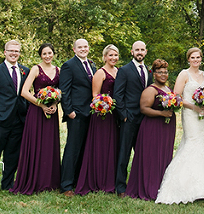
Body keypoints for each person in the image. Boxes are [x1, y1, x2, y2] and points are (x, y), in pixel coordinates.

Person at [156, 47, 204, 203]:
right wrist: (194, 107)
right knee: (192, 143)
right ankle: (186, 187)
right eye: (193, 57)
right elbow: (177, 97)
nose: (196, 60)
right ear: (188, 59)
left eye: (198, 57)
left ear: (201, 59)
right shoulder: (184, 74)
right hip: (190, 115)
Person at [11, 43, 60, 194]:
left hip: (51, 113)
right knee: (36, 144)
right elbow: (24, 92)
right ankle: (34, 180)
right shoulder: (35, 69)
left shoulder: (58, 69)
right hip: (37, 112)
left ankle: (49, 181)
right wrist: (41, 105)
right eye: (44, 53)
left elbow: (60, 91)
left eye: (50, 53)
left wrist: (55, 104)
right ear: (40, 55)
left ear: (53, 54)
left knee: (49, 145)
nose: (47, 56)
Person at [0, 40, 29, 195]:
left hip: (18, 119)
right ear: (5, 52)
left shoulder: (25, 71)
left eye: (16, 51)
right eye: (11, 51)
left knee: (12, 155)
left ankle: (8, 184)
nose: (14, 53)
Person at [125, 59, 177, 200]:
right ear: (154, 74)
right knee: (152, 157)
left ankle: (162, 185)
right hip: (153, 128)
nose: (163, 75)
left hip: (167, 128)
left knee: (164, 155)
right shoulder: (150, 90)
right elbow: (144, 109)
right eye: (160, 72)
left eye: (165, 72)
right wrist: (162, 113)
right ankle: (149, 187)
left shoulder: (168, 89)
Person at [76, 44, 120, 195]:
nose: (113, 58)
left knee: (112, 145)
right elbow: (95, 94)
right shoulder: (100, 73)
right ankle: (96, 179)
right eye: (110, 55)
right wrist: (105, 104)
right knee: (100, 146)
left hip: (114, 114)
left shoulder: (118, 71)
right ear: (105, 57)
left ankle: (109, 179)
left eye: (116, 55)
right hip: (101, 113)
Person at [113, 40, 151, 196]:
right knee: (124, 153)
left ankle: (140, 184)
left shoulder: (148, 70)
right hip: (129, 118)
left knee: (143, 153)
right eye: (137, 50)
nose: (140, 52)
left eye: (142, 49)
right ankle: (120, 187)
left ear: (146, 51)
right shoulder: (124, 70)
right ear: (132, 52)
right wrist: (123, 115)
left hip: (145, 118)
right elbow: (117, 94)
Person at [59, 38, 96, 196]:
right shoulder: (69, 65)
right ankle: (66, 185)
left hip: (91, 113)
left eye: (85, 47)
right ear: (74, 49)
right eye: (80, 47)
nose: (83, 49)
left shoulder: (92, 65)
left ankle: (78, 181)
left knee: (84, 148)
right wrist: (69, 111)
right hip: (76, 113)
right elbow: (64, 90)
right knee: (72, 149)